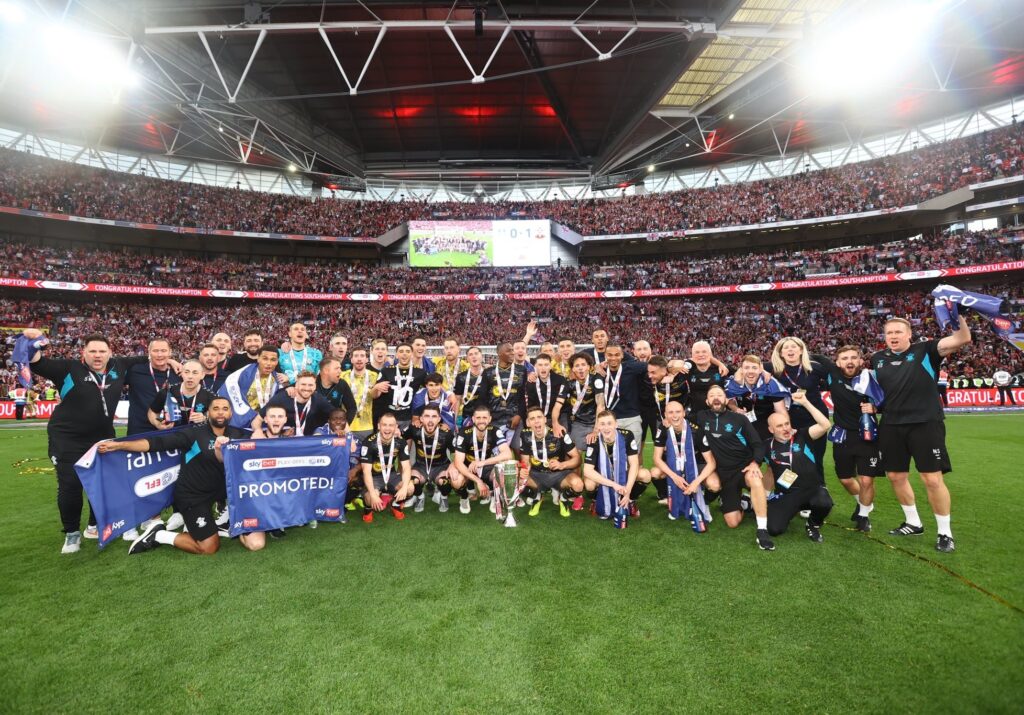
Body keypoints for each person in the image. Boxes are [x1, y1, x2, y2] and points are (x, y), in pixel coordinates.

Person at [24, 329, 151, 553]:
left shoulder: (119, 366)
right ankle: (72, 534)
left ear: (110, 353)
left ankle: (94, 526)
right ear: (84, 352)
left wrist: (172, 361)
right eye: (92, 351)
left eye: (102, 351)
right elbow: (37, 363)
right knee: (71, 485)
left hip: (102, 437)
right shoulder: (68, 368)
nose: (97, 355)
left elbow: (151, 358)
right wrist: (32, 339)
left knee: (103, 483)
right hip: (67, 438)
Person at [98, 396, 250, 555]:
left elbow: (258, 448)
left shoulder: (238, 434)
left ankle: (221, 519)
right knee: (209, 547)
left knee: (243, 486)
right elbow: (156, 443)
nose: (220, 413)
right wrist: (119, 445)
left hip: (219, 492)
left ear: (231, 413)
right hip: (194, 496)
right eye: (215, 409)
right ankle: (158, 534)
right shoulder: (194, 433)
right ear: (208, 413)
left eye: (225, 409)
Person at [872, 315, 971, 552]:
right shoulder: (877, 359)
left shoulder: (927, 350)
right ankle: (913, 523)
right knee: (896, 476)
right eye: (889, 333)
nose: (893, 336)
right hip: (891, 424)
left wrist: (957, 313)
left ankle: (945, 533)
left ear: (909, 334)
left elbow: (962, 338)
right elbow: (879, 393)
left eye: (898, 332)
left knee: (932, 479)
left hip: (925, 423)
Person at [691, 385, 773, 551]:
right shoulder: (701, 417)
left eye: (719, 395)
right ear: (707, 401)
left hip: (744, 468)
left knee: (755, 478)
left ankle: (762, 530)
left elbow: (758, 445)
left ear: (726, 400)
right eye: (712, 395)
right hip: (723, 473)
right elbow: (678, 416)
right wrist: (666, 421)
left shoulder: (739, 419)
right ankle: (744, 502)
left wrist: (755, 463)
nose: (716, 398)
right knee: (732, 522)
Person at [816, 346, 884, 532]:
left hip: (867, 434)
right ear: (838, 362)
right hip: (843, 435)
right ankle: (863, 503)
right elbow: (811, 356)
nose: (850, 361)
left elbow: (891, 398)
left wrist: (876, 408)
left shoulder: (871, 378)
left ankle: (863, 515)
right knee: (845, 479)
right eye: (845, 358)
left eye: (854, 357)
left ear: (861, 361)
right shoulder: (832, 373)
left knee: (867, 480)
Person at [763, 390, 835, 542]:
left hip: (812, 489)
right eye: (779, 426)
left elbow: (825, 425)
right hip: (787, 493)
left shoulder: (802, 435)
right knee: (774, 529)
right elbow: (754, 464)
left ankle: (813, 524)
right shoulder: (766, 446)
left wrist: (805, 403)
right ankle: (789, 509)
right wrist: (762, 495)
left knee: (824, 503)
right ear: (771, 430)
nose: (785, 428)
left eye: (787, 424)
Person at [770, 336, 831, 469]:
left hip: (815, 417)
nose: (790, 350)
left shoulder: (814, 367)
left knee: (816, 457)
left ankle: (819, 482)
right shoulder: (775, 371)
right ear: (781, 353)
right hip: (791, 420)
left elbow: (836, 377)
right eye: (786, 347)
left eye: (794, 346)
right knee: (793, 459)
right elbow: (749, 366)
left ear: (801, 350)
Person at [518, 406, 583, 517]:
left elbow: (577, 459)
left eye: (539, 417)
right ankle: (537, 497)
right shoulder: (525, 434)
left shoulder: (559, 433)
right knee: (515, 481)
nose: (536, 421)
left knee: (578, 485)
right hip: (536, 475)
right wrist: (523, 471)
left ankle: (563, 498)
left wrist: (562, 465)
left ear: (545, 419)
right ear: (528, 423)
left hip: (559, 475)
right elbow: (525, 461)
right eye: (532, 418)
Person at [582, 410, 641, 525]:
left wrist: (628, 490)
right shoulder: (594, 440)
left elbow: (634, 463)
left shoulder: (627, 435)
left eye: (609, 423)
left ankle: (631, 500)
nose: (606, 428)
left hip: (622, 474)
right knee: (589, 483)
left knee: (644, 475)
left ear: (616, 424)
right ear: (598, 426)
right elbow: (587, 471)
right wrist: (613, 484)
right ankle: (596, 501)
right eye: (602, 424)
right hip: (603, 476)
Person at [453, 405, 513, 514]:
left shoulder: (495, 430)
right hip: (468, 468)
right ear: (473, 419)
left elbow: (507, 454)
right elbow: (458, 462)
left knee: (501, 471)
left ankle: (494, 497)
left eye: (484, 417)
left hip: (485, 466)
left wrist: (482, 462)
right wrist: (478, 481)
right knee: (456, 480)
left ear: (489, 419)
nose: (481, 421)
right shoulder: (464, 433)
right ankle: (464, 497)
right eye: (478, 418)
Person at [359, 412, 414, 523]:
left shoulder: (400, 442)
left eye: (391, 425)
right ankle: (368, 509)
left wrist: (404, 488)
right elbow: (366, 471)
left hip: (391, 475)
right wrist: (373, 495)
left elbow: (406, 467)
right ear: (379, 426)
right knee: (370, 498)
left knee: (409, 488)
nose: (387, 428)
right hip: (374, 477)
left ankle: (395, 505)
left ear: (396, 427)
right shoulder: (369, 442)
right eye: (384, 425)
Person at [403, 405, 457, 512]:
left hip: (441, 466)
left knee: (447, 481)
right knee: (411, 480)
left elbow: (456, 452)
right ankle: (420, 496)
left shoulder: (446, 433)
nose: (430, 420)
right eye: (427, 416)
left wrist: (453, 465)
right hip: (421, 466)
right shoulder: (414, 429)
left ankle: (443, 497)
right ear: (421, 419)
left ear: (439, 419)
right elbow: (401, 437)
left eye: (434, 416)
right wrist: (396, 432)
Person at [313, 408, 363, 521]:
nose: (338, 422)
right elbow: (317, 444)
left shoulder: (352, 437)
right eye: (334, 419)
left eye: (342, 419)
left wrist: (354, 471)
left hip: (344, 474)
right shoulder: (321, 431)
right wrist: (333, 439)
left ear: (346, 422)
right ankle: (320, 507)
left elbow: (363, 459)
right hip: (323, 473)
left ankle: (343, 503)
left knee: (360, 479)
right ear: (328, 421)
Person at [552, 352, 605, 458]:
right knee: (575, 454)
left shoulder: (596, 379)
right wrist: (555, 423)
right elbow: (558, 405)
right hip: (578, 424)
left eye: (583, 365)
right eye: (577, 365)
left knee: (600, 455)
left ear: (589, 367)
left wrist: (596, 430)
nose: (580, 368)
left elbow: (601, 405)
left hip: (596, 422)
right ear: (573, 369)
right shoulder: (568, 383)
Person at [124, 338, 181, 436]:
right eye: (155, 351)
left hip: (171, 430)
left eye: (163, 351)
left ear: (170, 352)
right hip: (140, 431)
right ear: (149, 352)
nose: (159, 354)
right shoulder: (135, 371)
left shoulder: (178, 373)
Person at [724, 355, 788, 441]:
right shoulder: (734, 383)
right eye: (746, 368)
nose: (750, 371)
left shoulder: (770, 384)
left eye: (754, 368)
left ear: (760, 369)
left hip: (766, 427)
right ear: (741, 369)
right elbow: (729, 400)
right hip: (743, 425)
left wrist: (787, 429)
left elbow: (781, 410)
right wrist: (736, 409)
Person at [599, 344, 648, 452]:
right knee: (611, 455)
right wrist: (595, 367)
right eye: (610, 355)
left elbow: (657, 366)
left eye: (617, 354)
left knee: (633, 454)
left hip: (632, 419)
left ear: (622, 355)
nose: (613, 358)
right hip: (610, 419)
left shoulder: (632, 367)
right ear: (605, 356)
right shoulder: (600, 371)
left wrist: (672, 370)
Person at [254, 371, 334, 437]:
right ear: (296, 385)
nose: (307, 388)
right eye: (303, 384)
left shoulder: (318, 399)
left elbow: (336, 415)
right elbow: (257, 420)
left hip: (309, 443)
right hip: (286, 442)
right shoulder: (282, 398)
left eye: (310, 385)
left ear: (315, 386)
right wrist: (258, 431)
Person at [481, 342, 528, 451]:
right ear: (499, 353)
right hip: (494, 419)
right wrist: (487, 418)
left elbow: (522, 397)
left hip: (515, 418)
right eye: (508, 351)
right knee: (494, 451)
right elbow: (483, 398)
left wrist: (519, 415)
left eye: (512, 350)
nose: (513, 353)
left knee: (519, 448)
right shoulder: (488, 372)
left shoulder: (521, 370)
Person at [372, 343, 427, 432]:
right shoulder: (387, 370)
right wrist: (375, 388)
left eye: (407, 351)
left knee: (407, 441)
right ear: (396, 355)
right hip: (389, 418)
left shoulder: (420, 372)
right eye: (401, 351)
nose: (404, 354)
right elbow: (374, 396)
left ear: (412, 354)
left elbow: (432, 387)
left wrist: (449, 394)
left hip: (409, 418)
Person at [148, 360, 216, 429]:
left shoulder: (211, 396)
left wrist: (205, 418)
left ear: (202, 375)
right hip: (172, 434)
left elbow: (218, 418)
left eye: (195, 373)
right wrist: (158, 424)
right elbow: (152, 412)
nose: (190, 376)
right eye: (186, 372)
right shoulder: (168, 391)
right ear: (182, 373)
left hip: (197, 434)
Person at [341, 347, 379, 441]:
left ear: (366, 359)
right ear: (351, 360)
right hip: (346, 425)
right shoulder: (343, 376)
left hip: (367, 426)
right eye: (356, 356)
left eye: (362, 356)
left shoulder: (375, 376)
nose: (359, 359)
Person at [681, 341, 730, 414]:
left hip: (719, 414)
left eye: (704, 352)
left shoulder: (721, 369)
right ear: (692, 355)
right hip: (695, 414)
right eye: (697, 352)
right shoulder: (688, 369)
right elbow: (671, 365)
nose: (700, 355)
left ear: (710, 354)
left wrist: (720, 364)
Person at [525, 353, 567, 428]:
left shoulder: (560, 380)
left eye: (546, 365)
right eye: (540, 365)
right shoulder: (531, 382)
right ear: (535, 366)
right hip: (537, 419)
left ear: (550, 366)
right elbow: (531, 406)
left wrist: (555, 423)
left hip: (557, 418)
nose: (543, 368)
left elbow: (559, 405)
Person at [451, 346, 487, 427]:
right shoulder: (461, 377)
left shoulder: (489, 374)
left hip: (485, 416)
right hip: (467, 417)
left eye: (476, 353)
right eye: (470, 354)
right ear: (467, 359)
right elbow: (457, 400)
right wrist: (454, 422)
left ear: (481, 356)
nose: (474, 356)